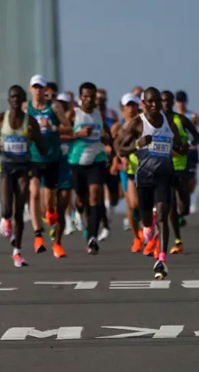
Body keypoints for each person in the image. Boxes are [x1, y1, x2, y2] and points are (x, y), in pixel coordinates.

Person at [118, 87, 186, 279]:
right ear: (144, 104)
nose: (155, 105)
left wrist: (181, 148)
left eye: (158, 101)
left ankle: (161, 260)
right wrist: (138, 144)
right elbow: (121, 149)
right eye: (151, 102)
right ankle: (147, 228)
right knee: (146, 220)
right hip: (145, 179)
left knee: (163, 215)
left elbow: (181, 147)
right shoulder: (137, 123)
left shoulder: (169, 123)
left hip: (165, 177)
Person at [0, 85, 46, 267]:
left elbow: (42, 147)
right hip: (6, 166)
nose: (16, 100)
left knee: (19, 210)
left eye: (19, 97)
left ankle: (17, 252)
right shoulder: (1, 119)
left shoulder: (31, 121)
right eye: (13, 97)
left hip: (23, 167)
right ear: (8, 100)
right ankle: (5, 220)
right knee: (6, 209)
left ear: (24, 100)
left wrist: (37, 139)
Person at [66, 82, 112, 255]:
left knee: (95, 194)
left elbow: (106, 133)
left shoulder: (98, 114)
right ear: (80, 97)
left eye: (91, 96)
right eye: (85, 96)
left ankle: (92, 237)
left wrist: (108, 144)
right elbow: (62, 135)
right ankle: (78, 212)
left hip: (96, 161)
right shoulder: (73, 114)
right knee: (80, 199)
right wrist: (78, 134)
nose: (88, 100)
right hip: (77, 163)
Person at [25, 75, 68, 258]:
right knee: (33, 194)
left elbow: (69, 128)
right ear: (30, 89)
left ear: (45, 90)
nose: (37, 90)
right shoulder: (25, 108)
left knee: (49, 204)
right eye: (34, 87)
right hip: (34, 157)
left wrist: (52, 127)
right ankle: (37, 236)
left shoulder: (54, 107)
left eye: (40, 87)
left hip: (52, 158)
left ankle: (50, 214)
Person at [161, 91, 199, 253]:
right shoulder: (156, 122)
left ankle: (181, 216)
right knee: (170, 204)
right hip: (164, 167)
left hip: (181, 167)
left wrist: (188, 146)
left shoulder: (181, 119)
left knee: (183, 206)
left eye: (168, 101)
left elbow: (198, 137)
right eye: (162, 100)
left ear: (172, 102)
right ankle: (178, 240)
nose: (165, 103)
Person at [114, 93, 144, 253]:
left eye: (134, 105)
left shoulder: (142, 124)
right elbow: (115, 146)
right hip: (127, 169)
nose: (131, 109)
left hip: (142, 167)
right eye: (128, 106)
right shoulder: (119, 127)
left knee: (142, 203)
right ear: (122, 109)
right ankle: (136, 238)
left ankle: (144, 231)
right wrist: (120, 159)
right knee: (132, 204)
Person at [174, 90, 199, 214]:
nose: (181, 104)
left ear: (187, 102)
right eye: (179, 101)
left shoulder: (192, 116)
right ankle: (180, 207)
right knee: (176, 180)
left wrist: (195, 143)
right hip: (177, 152)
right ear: (175, 102)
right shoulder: (172, 117)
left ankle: (185, 201)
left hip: (191, 152)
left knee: (189, 183)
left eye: (183, 101)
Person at [96, 89, 121, 240]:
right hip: (97, 159)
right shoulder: (90, 116)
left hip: (111, 158)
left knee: (115, 196)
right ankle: (104, 226)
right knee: (98, 192)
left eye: (102, 100)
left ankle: (109, 209)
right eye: (97, 100)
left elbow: (116, 138)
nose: (100, 103)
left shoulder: (112, 115)